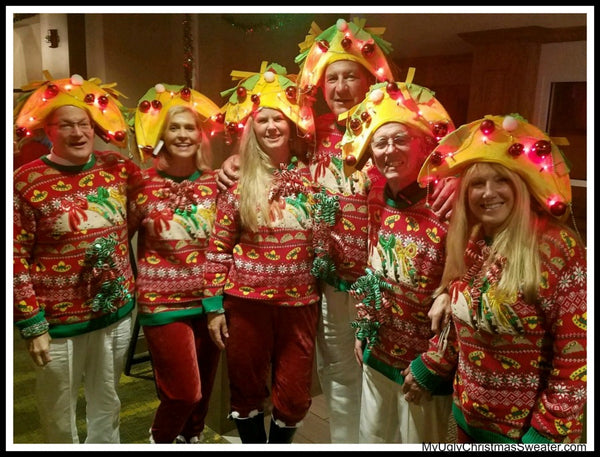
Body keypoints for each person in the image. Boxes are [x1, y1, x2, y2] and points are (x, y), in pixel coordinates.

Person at [403, 114, 587, 443]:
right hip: (466, 420)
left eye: (501, 180)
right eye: (477, 183)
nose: (488, 193)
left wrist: (547, 434)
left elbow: (577, 357)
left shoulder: (560, 251)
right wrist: (432, 365)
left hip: (525, 435)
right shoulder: (470, 240)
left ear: (520, 185)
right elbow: (462, 321)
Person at [13, 74, 143, 443]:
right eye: (65, 125)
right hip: (56, 323)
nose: (77, 132)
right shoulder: (26, 181)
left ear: (95, 127)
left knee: (108, 398)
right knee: (58, 408)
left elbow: (146, 205)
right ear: (47, 130)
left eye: (84, 124)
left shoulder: (118, 169)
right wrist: (32, 323)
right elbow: (14, 256)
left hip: (114, 311)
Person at [203, 62, 324, 444]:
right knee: (246, 386)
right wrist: (213, 308)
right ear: (251, 129)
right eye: (262, 120)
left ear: (290, 125)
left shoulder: (311, 175)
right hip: (247, 303)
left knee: (293, 394)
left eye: (279, 119)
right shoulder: (239, 180)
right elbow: (218, 247)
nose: (271, 127)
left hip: (300, 302)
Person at [335, 78, 456, 443]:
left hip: (422, 365)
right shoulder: (373, 193)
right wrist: (363, 328)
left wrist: (435, 363)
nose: (388, 150)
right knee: (371, 439)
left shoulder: (449, 204)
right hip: (377, 351)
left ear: (423, 145)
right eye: (380, 142)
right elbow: (373, 269)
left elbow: (466, 291)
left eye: (400, 139)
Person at [129, 83, 224, 444]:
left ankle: (192, 438)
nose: (183, 135)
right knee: (184, 392)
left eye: (190, 128)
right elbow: (117, 236)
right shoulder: (142, 184)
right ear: (162, 135)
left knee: (202, 398)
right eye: (175, 127)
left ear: (200, 135)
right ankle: (160, 440)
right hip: (162, 304)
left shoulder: (216, 183)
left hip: (209, 303)